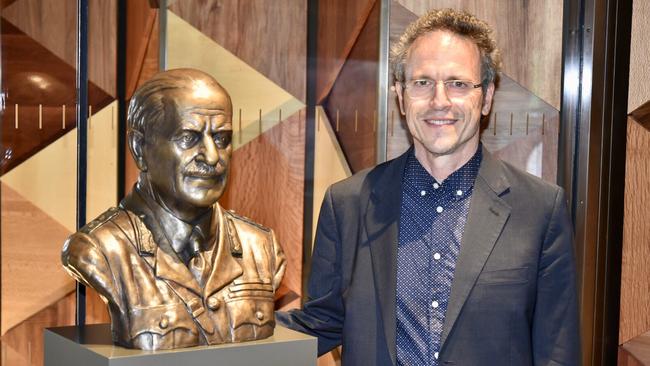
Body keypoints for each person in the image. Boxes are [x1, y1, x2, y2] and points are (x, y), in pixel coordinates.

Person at [276, 8, 579, 365]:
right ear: (401, 96)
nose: (439, 100)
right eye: (422, 83)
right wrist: (223, 332)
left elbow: (557, 353)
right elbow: (321, 322)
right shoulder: (346, 204)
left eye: (458, 83)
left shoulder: (540, 210)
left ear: (487, 97)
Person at [62, 69, 285, 350]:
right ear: (140, 148)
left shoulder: (262, 247)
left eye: (221, 139)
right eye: (188, 138)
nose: (212, 156)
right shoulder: (99, 250)